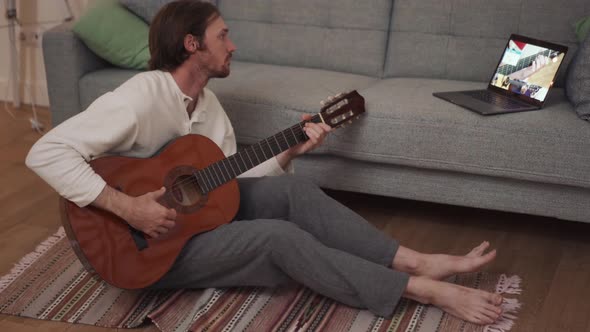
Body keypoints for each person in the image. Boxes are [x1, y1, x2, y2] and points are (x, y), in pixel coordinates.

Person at [26, 0, 504, 325]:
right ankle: (416, 289)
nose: (233, 46)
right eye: (223, 36)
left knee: (293, 192)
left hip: (189, 227)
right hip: (142, 253)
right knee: (277, 239)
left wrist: (291, 150)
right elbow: (44, 151)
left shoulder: (208, 108)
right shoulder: (139, 98)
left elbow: (226, 187)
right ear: (192, 45)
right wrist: (128, 209)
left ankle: (415, 260)